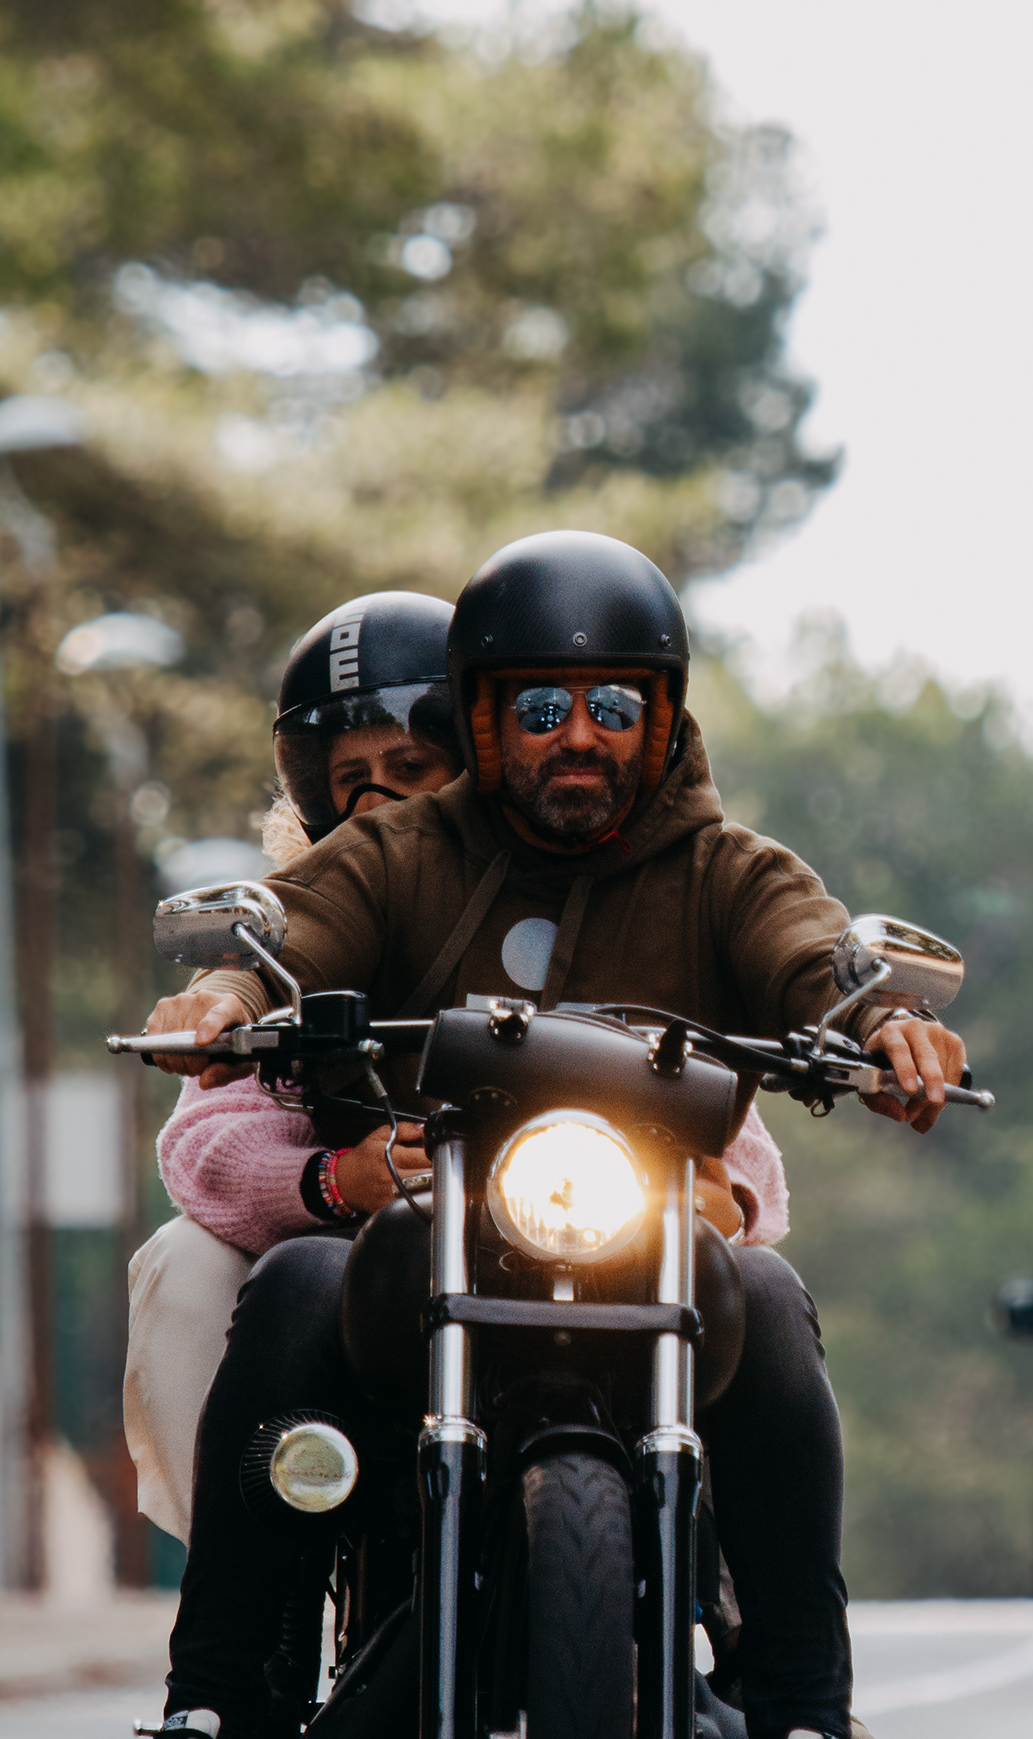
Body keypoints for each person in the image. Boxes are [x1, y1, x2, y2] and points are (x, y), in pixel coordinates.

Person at [105, 531, 964, 1739]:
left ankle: (807, 1730)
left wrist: (881, 1023)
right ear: (485, 717)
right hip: (425, 1238)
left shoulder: (727, 869)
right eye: (543, 705)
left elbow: (813, 955)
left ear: (661, 720)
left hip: (641, 1242)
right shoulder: (401, 851)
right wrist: (229, 993)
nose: (580, 735)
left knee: (771, 1293)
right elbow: (295, 928)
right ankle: (206, 1712)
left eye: (615, 704)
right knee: (300, 1280)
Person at [125, 589, 787, 1539]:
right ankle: (244, 1565)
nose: (378, 802)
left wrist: (724, 1186)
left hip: (595, 1242)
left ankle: (731, 1569)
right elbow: (208, 1136)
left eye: (410, 767)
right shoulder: (318, 911)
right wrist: (331, 1174)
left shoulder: (589, 887)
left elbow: (715, 1095)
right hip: (373, 1264)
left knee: (760, 1290)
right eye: (348, 778)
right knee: (195, 1265)